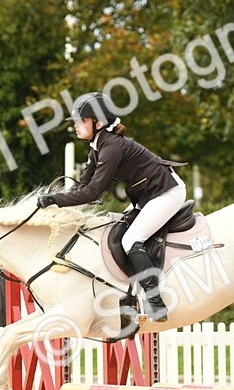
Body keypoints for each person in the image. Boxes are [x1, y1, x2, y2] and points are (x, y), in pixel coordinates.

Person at [36, 92, 186, 321]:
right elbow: (82, 185)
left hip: (167, 193)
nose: (75, 126)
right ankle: (129, 294)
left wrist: (55, 200)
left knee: (130, 240)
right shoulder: (97, 147)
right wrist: (58, 201)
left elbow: (93, 192)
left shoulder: (112, 147)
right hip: (148, 196)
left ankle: (155, 302)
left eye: (80, 121)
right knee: (114, 232)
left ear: (98, 123)